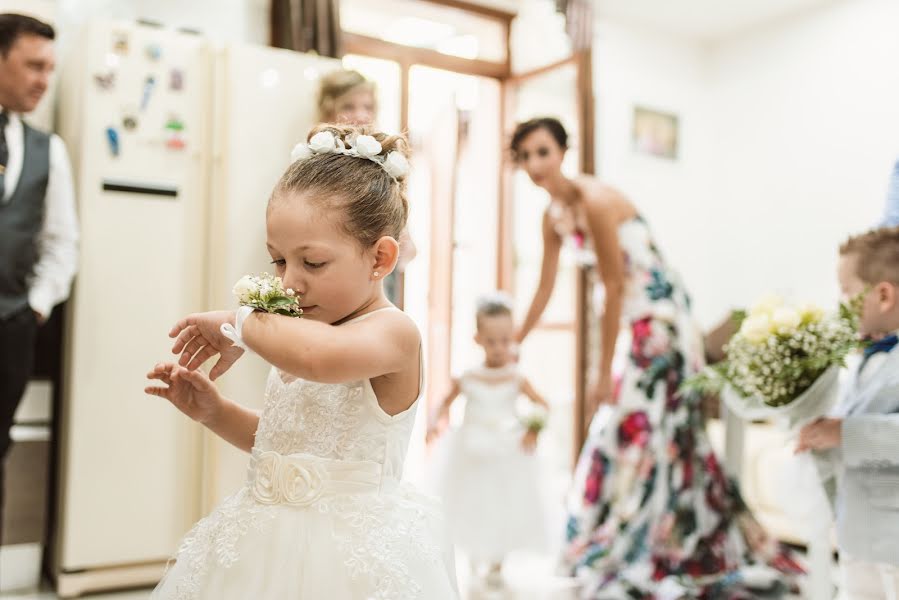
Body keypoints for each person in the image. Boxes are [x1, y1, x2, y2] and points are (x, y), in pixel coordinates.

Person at [145, 124, 457, 599]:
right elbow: (285, 441)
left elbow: (318, 359)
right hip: (262, 535)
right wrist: (216, 412)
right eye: (277, 261)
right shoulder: (303, 328)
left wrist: (238, 323)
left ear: (380, 258)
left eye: (311, 263)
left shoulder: (394, 332)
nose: (289, 283)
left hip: (348, 555)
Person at [511, 116, 801, 597]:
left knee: (637, 423)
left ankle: (655, 539)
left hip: (663, 317)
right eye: (524, 156)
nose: (535, 164)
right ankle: (643, 532)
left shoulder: (596, 202)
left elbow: (612, 286)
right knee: (644, 428)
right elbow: (545, 285)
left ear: (563, 151)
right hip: (638, 321)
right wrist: (517, 338)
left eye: (542, 151)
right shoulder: (553, 216)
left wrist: (603, 372)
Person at [0, 13, 77, 541]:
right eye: (33, 65)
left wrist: (36, 306)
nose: (43, 80)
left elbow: (60, 242)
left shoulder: (49, 149)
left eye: (49, 68)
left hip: (11, 328)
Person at [797, 226, 899, 600]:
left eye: (847, 290)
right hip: (858, 531)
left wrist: (845, 433)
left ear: (884, 295)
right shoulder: (862, 356)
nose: (839, 301)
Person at [427, 293, 549, 588]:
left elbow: (542, 405)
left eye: (505, 340)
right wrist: (435, 423)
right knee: (472, 502)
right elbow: (443, 403)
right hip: (471, 450)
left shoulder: (516, 377)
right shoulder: (468, 376)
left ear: (514, 337)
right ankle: (473, 556)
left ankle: (498, 560)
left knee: (503, 503)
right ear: (478, 339)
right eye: (491, 341)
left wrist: (533, 428)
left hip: (506, 451)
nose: (499, 348)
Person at [316, 68, 416, 305]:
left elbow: (405, 242)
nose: (360, 115)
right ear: (330, 110)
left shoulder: (384, 160)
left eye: (368, 107)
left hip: (379, 278)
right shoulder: (315, 163)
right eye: (348, 106)